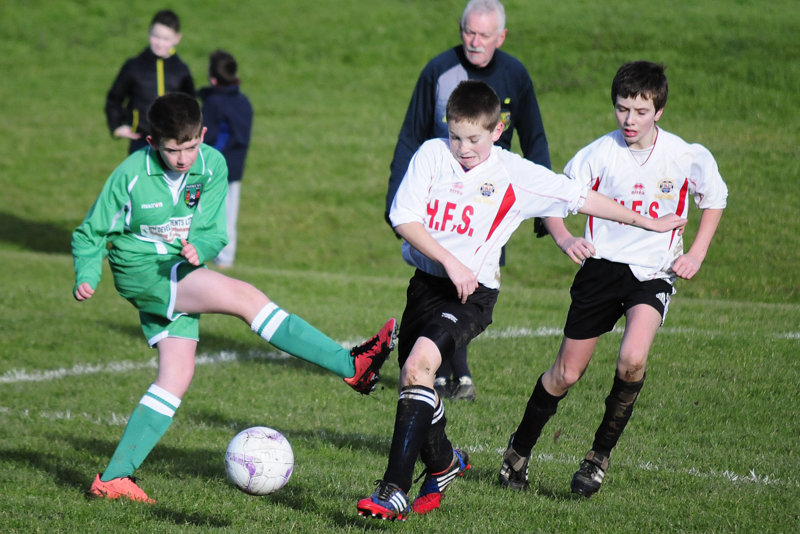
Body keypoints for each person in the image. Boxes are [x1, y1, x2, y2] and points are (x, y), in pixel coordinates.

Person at [356, 80, 686, 521]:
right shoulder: (433, 155)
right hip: (427, 286)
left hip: (473, 295)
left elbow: (580, 197)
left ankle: (393, 490)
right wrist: (450, 261)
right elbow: (403, 217)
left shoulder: (514, 172)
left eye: (474, 138)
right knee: (413, 384)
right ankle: (445, 463)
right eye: (455, 135)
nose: (463, 147)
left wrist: (646, 221)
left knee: (418, 366)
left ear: (497, 130)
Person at [73, 93, 397, 504]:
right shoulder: (131, 174)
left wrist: (201, 248)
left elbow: (213, 229)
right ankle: (351, 365)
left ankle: (115, 477)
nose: (183, 158)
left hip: (179, 267)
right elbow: (91, 233)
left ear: (202, 135)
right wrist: (87, 273)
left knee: (176, 375)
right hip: (140, 271)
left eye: (190, 146)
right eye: (172, 150)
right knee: (245, 297)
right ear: (152, 142)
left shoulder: (212, 164)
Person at [498, 61, 728, 498]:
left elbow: (714, 198)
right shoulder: (597, 154)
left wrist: (696, 252)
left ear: (658, 110)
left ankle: (597, 457)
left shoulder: (684, 155)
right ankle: (518, 450)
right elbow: (554, 195)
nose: (629, 120)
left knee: (632, 359)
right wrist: (564, 237)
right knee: (566, 374)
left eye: (640, 111)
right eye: (622, 109)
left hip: (652, 274)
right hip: (601, 270)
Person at [385, 0, 552, 402]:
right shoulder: (438, 71)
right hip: (443, 193)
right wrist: (396, 195)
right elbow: (411, 133)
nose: (475, 42)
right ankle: (448, 372)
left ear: (502, 36)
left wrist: (544, 209)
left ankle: (452, 371)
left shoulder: (515, 74)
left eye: (484, 35)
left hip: (494, 199)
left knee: (472, 282)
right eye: (468, 32)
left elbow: (535, 135)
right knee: (444, 278)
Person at [105, 9, 195, 154]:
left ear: (177, 38)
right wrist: (116, 126)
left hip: (173, 144)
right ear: (149, 33)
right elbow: (114, 98)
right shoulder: (133, 66)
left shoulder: (181, 71)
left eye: (166, 39)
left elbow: (192, 106)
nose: (160, 43)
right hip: (140, 141)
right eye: (156, 36)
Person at [198, 50, 254, 269]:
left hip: (212, 167)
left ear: (213, 77)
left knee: (203, 209)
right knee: (229, 213)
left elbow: (208, 135)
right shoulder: (243, 102)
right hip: (235, 167)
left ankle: (199, 250)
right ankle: (226, 257)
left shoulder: (213, 102)